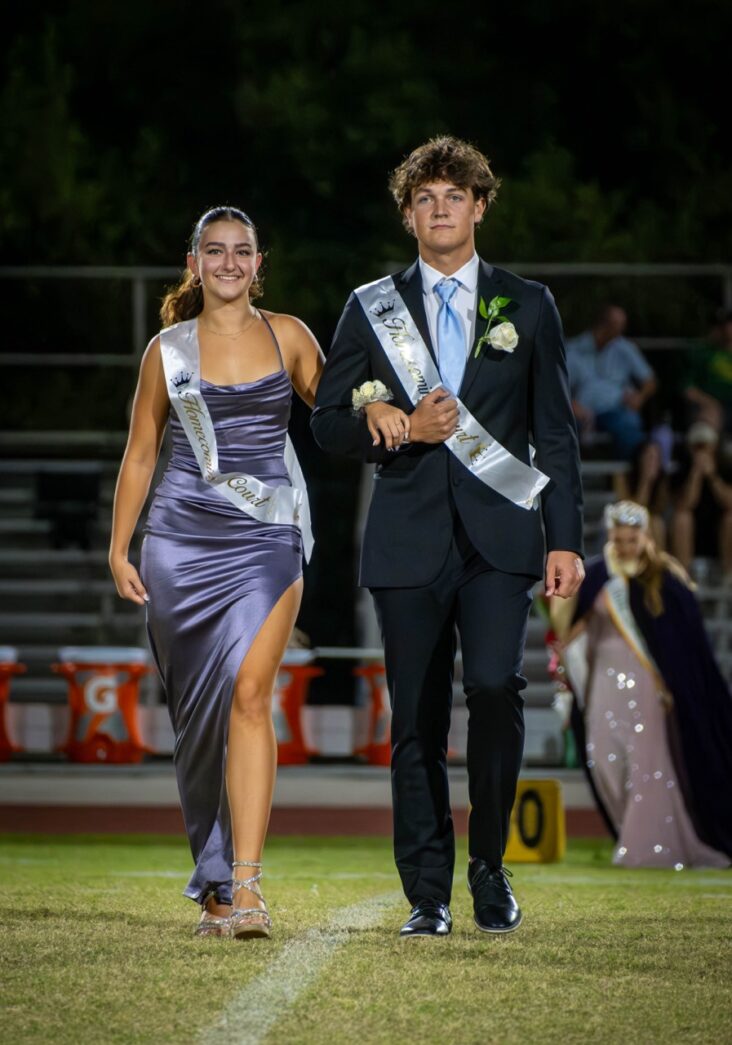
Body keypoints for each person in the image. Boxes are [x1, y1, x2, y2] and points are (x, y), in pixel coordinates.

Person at [311, 136, 585, 937]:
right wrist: (378, 421)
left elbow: (557, 435)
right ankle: (427, 892)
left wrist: (564, 538)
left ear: (480, 206)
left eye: (454, 195)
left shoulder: (528, 304)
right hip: (407, 541)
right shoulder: (370, 306)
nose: (441, 208)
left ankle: (490, 867)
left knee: (497, 690)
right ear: (407, 214)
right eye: (426, 197)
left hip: (501, 540)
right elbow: (326, 422)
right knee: (417, 722)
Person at [109, 205, 323, 939]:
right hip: (178, 537)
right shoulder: (165, 350)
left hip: (267, 534)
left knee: (251, 692)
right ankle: (215, 883)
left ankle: (250, 884)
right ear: (194, 263)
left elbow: (334, 417)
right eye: (214, 250)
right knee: (199, 719)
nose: (229, 262)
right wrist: (119, 546)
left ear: (261, 264)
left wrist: (389, 410)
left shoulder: (289, 334)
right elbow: (141, 453)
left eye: (243, 251)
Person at [551, 501, 732, 869]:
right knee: (604, 759)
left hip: (647, 685)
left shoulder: (664, 577)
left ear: (646, 537)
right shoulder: (597, 574)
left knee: (647, 766)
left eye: (632, 540)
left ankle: (646, 844)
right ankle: (625, 830)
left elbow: (682, 644)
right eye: (618, 540)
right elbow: (569, 627)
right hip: (603, 681)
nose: (625, 547)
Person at [567, 305, 657, 460]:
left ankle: (624, 474)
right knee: (562, 425)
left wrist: (639, 397)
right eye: (618, 326)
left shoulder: (625, 348)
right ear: (603, 324)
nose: (621, 331)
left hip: (615, 409)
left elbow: (650, 381)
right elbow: (555, 388)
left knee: (629, 422)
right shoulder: (574, 349)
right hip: (581, 413)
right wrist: (570, 403)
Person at [670, 421, 732, 580]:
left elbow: (729, 502)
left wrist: (712, 476)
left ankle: (729, 576)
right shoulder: (682, 471)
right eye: (697, 447)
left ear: (715, 446)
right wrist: (696, 475)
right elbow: (685, 504)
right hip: (691, 535)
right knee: (682, 517)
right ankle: (683, 578)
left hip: (720, 534)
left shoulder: (726, 469)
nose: (702, 452)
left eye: (706, 446)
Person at [613, 438, 670, 549]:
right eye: (649, 457)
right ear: (639, 458)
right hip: (626, 521)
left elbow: (659, 508)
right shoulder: (622, 477)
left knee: (656, 523)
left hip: (654, 523)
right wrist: (645, 481)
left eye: (655, 458)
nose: (652, 461)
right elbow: (631, 511)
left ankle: (656, 564)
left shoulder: (663, 480)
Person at [683, 307, 732, 434]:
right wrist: (710, 403)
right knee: (704, 433)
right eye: (720, 326)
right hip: (710, 406)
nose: (726, 330)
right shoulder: (700, 353)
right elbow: (688, 389)